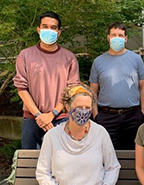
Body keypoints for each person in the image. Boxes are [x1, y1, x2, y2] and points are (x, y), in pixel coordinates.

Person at [13, 11, 80, 149]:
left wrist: (53, 113)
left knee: (63, 162)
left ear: (59, 32)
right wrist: (39, 115)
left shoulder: (69, 58)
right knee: (31, 163)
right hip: (32, 118)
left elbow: (72, 91)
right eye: (45, 26)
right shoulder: (25, 56)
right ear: (38, 29)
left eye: (53, 27)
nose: (49, 30)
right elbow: (21, 88)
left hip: (62, 117)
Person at [36, 84, 120, 185]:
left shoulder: (100, 133)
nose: (83, 111)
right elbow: (42, 173)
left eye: (87, 107)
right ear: (67, 107)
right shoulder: (52, 136)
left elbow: (112, 167)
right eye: (79, 107)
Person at [89, 22, 144, 150]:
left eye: (120, 35)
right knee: (106, 154)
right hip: (106, 116)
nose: (117, 38)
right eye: (114, 35)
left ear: (126, 39)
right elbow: (93, 90)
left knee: (133, 154)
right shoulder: (98, 61)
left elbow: (143, 87)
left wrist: (142, 111)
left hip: (133, 115)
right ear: (108, 37)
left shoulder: (136, 59)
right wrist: (95, 114)